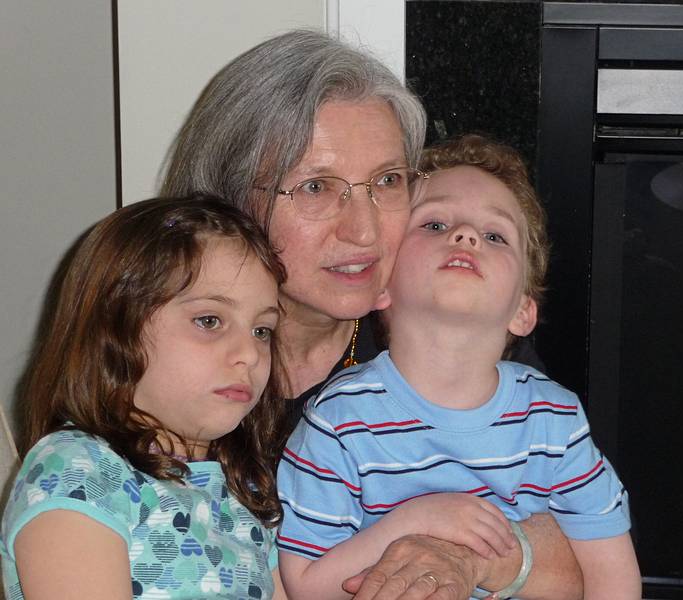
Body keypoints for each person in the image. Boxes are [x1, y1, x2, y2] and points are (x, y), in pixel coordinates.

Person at [162, 29, 582, 599]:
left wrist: (469, 556)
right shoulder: (173, 356)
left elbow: (580, 543)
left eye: (387, 181)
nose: (363, 231)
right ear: (229, 202)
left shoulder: (438, 330)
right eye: (315, 187)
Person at [277, 135, 642, 600]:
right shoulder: (338, 418)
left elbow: (611, 572)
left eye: (495, 236)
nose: (466, 235)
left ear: (523, 311)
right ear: (382, 286)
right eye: (434, 224)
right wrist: (414, 521)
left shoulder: (556, 419)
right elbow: (305, 586)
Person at [1, 196, 288, 599]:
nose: (249, 353)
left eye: (262, 330)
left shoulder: (244, 490)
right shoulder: (79, 470)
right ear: (117, 330)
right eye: (210, 321)